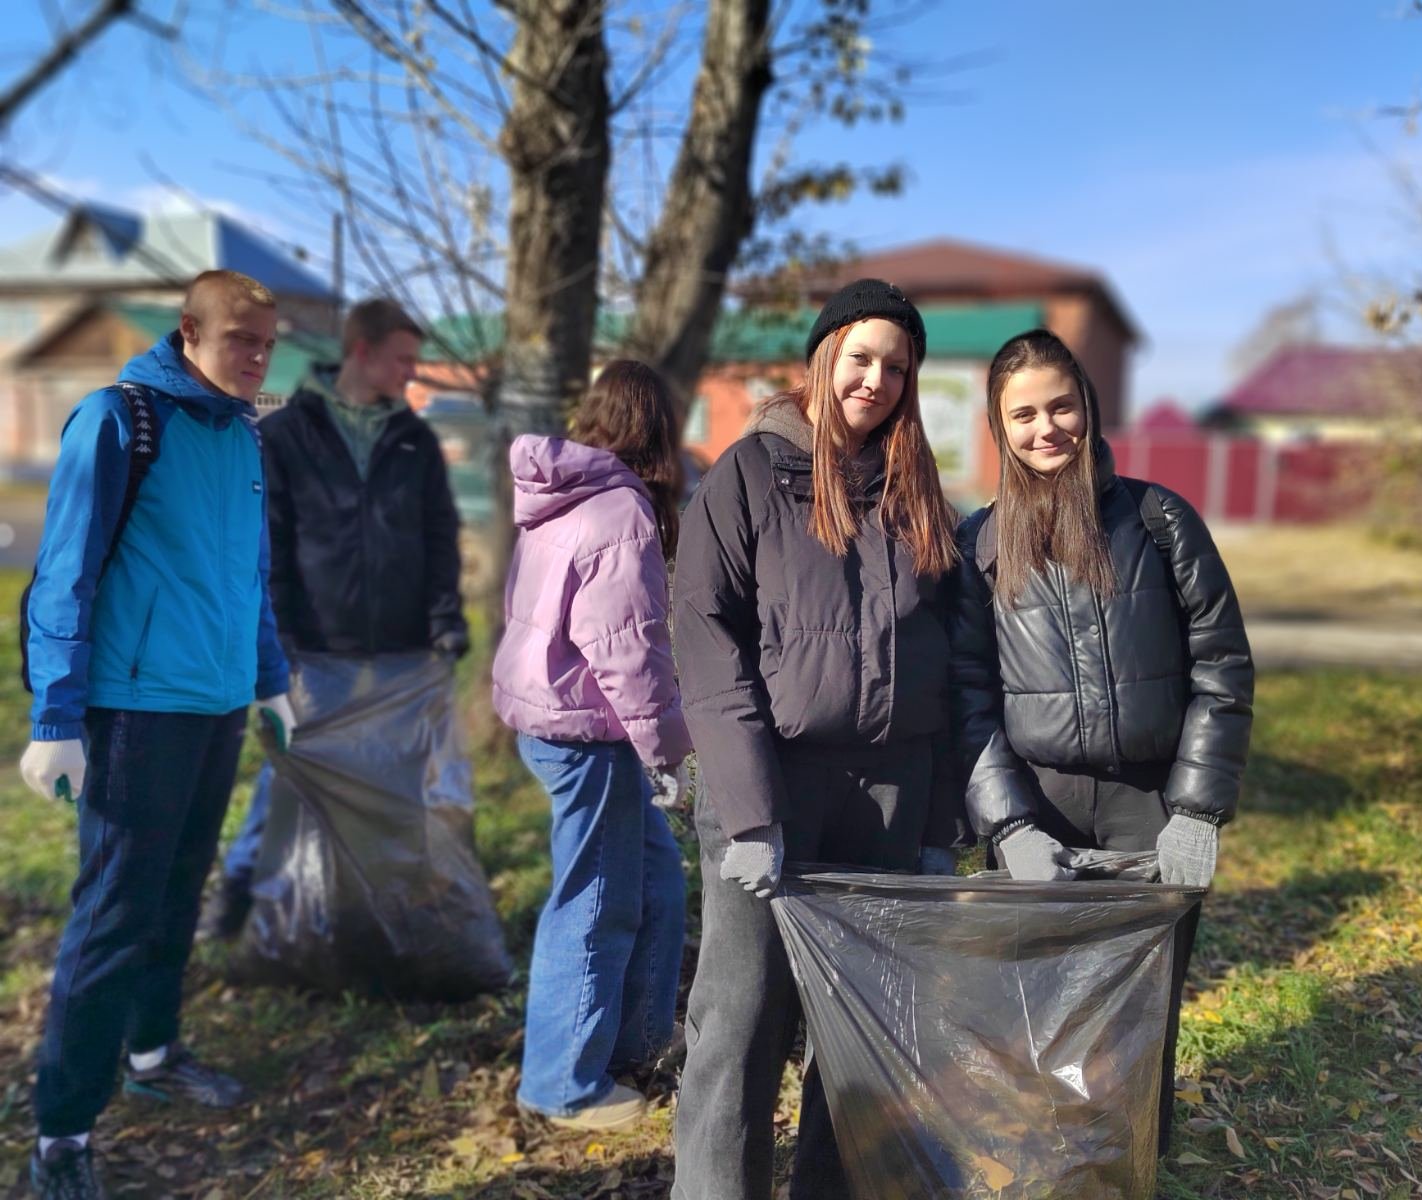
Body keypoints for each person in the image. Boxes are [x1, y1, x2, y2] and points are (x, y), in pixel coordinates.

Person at [672, 279, 964, 1200]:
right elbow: (704, 639)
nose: (874, 380)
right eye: (860, 358)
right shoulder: (748, 474)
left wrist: (936, 825)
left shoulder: (918, 488)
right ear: (823, 358)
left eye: (895, 367)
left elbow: (952, 662)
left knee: (864, 1030)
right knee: (741, 1025)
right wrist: (751, 816)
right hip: (774, 788)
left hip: (890, 791)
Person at [18, 270, 297, 1200]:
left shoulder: (242, 436)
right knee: (112, 914)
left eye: (267, 344)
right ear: (189, 333)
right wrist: (55, 716)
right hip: (137, 709)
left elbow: (248, 574)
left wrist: (268, 683)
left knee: (179, 890)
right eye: (240, 342)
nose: (257, 359)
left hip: (215, 704)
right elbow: (64, 571)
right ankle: (61, 1131)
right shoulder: (120, 420)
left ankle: (153, 1052)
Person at [948, 327, 1254, 1156]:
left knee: (1142, 1007)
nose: (1046, 429)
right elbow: (969, 699)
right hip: (1039, 809)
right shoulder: (980, 545)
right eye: (1023, 416)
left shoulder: (1158, 521)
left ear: (1087, 404)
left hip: (1147, 809)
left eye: (1061, 406)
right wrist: (1007, 823)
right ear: (999, 428)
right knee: (1040, 1004)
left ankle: (1128, 1162)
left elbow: (1221, 667)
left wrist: (1195, 810)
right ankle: (1047, 1159)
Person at [201, 297, 468, 939]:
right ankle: (238, 890)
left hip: (403, 648)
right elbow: (271, 546)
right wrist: (281, 639)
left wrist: (445, 617)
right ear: (362, 352)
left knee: (395, 782)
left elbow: (438, 534)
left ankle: (375, 910)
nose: (411, 372)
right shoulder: (288, 435)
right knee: (289, 774)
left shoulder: (413, 439)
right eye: (402, 359)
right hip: (316, 645)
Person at [491, 360, 692, 1131]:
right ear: (656, 427)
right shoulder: (620, 511)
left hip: (558, 724)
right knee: (596, 901)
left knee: (656, 880)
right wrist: (665, 750)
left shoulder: (563, 496)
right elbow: (626, 649)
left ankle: (637, 1039)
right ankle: (561, 1085)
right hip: (589, 734)